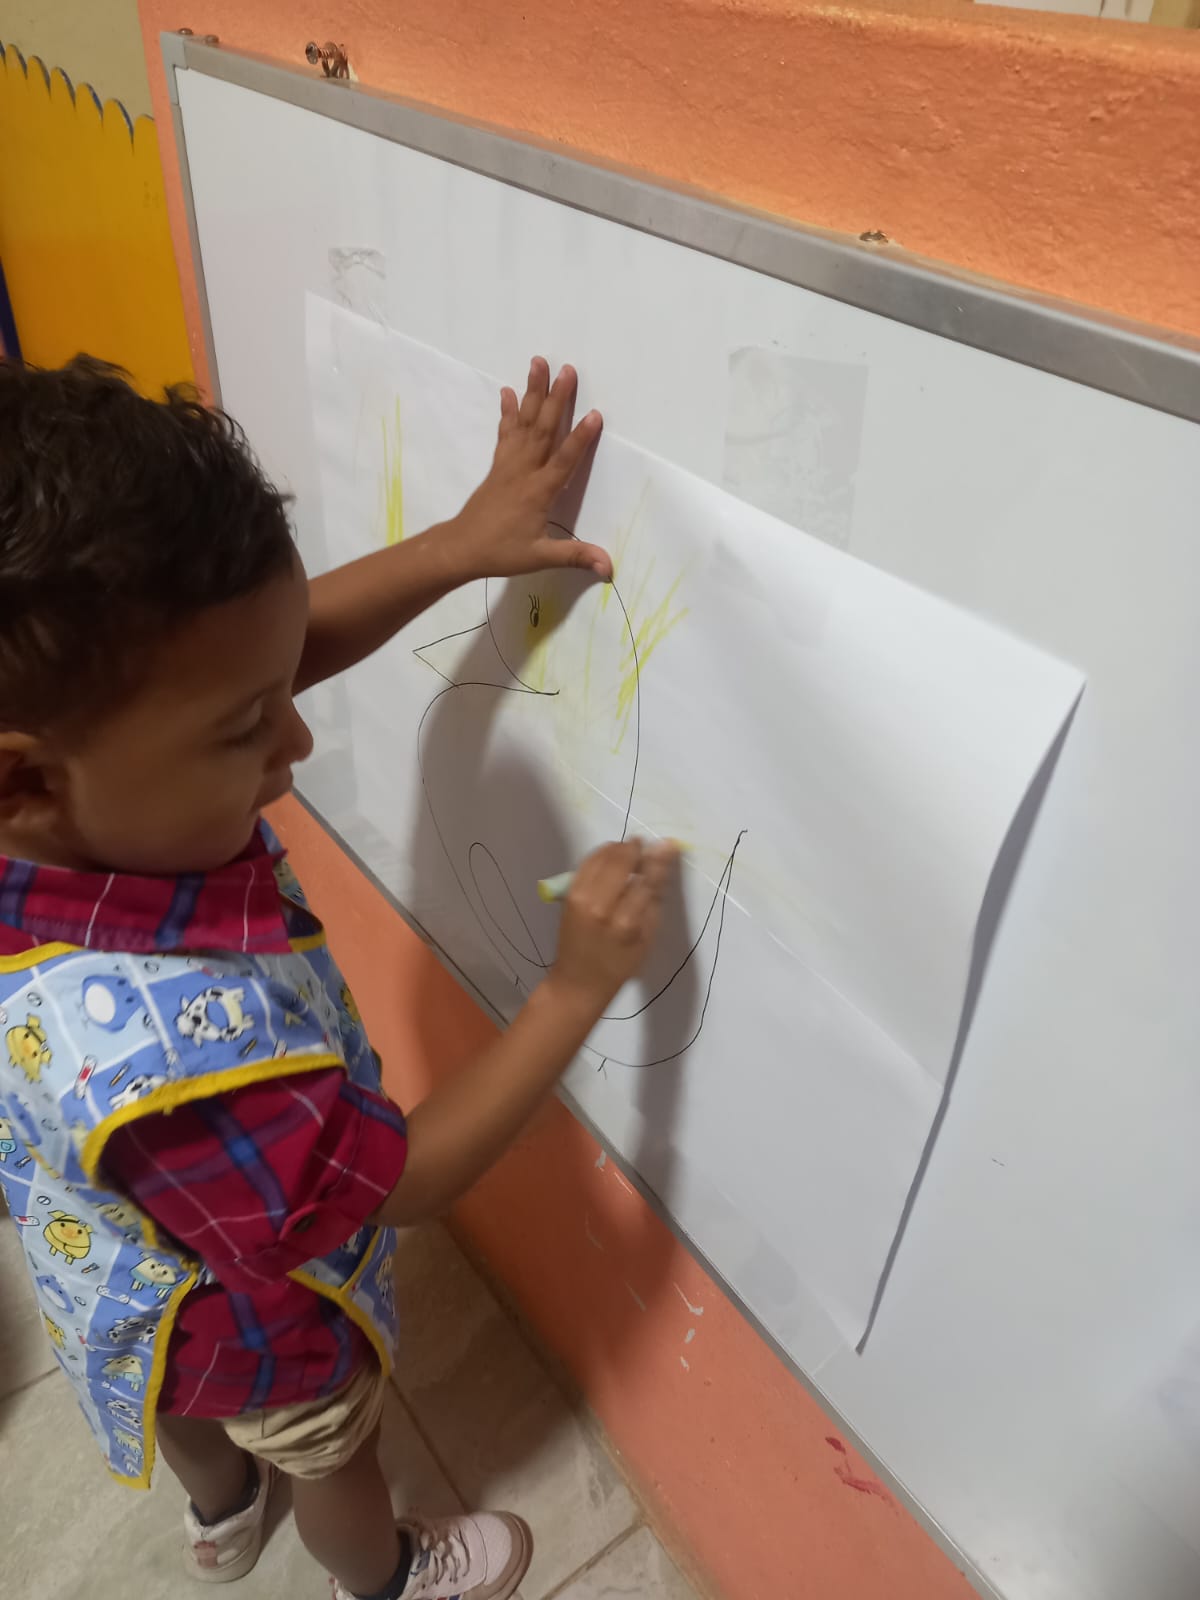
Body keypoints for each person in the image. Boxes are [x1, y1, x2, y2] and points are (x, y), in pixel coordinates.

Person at [0, 355, 676, 1600]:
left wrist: (461, 544)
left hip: (117, 1278)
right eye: (245, 727)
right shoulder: (181, 1065)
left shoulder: (62, 810)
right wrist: (573, 990)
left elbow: (269, 652)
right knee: (332, 1452)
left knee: (178, 1403)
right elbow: (400, 1180)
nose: (299, 738)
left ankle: (219, 1515)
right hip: (255, 1323)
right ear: (26, 780)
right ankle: (387, 1576)